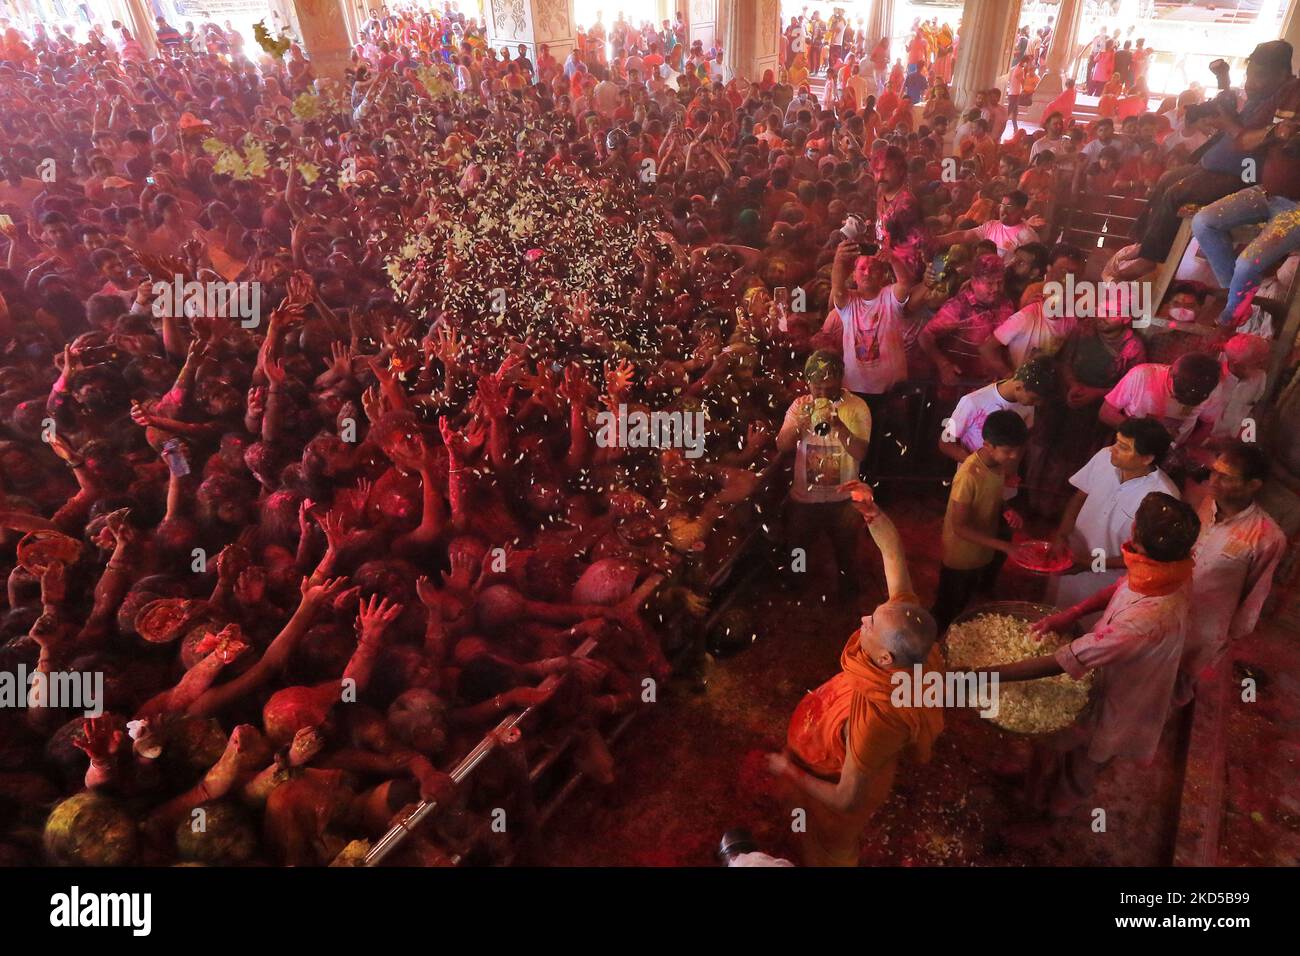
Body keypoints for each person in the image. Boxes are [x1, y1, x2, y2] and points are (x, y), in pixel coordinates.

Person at [987, 492, 1201, 815]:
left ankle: (1049, 816)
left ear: (1135, 536)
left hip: (1124, 693)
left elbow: (1066, 659)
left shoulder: (1146, 621)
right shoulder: (1169, 567)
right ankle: (1033, 784)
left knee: (1084, 762)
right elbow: (1122, 586)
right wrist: (1072, 613)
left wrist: (986, 676)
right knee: (1056, 737)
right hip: (1105, 671)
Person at [766, 486, 943, 866]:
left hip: (838, 787)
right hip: (847, 756)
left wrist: (791, 773)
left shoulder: (875, 719)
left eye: (872, 623)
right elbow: (893, 553)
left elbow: (847, 798)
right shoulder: (911, 634)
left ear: (884, 657)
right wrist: (872, 513)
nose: (865, 618)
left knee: (829, 844)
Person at [1174, 442, 1284, 705]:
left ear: (1253, 485)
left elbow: (1255, 594)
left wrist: (1225, 638)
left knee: (1174, 688)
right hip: (1164, 605)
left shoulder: (1267, 536)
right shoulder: (1201, 501)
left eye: (1226, 477)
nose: (1214, 480)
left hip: (1202, 628)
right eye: (1214, 471)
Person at [1046, 417, 1179, 615]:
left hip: (1105, 577)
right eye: (1116, 441)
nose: (1113, 449)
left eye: (1124, 447)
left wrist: (1089, 563)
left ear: (1147, 458)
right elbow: (1080, 496)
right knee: (1051, 612)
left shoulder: (1162, 497)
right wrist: (1062, 534)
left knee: (1085, 625)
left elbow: (1145, 555)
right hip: (1070, 555)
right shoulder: (1104, 458)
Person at [775, 351, 872, 596]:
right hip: (804, 499)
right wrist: (801, 423)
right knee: (798, 548)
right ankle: (796, 588)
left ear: (840, 380)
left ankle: (848, 594)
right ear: (808, 384)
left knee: (846, 551)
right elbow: (782, 445)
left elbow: (860, 453)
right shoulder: (799, 405)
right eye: (817, 388)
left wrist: (838, 425)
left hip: (844, 500)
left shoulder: (857, 407)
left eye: (829, 388)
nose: (823, 394)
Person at [931, 409, 1028, 632]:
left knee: (966, 598)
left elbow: (992, 496)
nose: (1014, 457)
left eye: (1018, 451)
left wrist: (1006, 510)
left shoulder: (998, 466)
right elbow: (960, 527)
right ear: (988, 444)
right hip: (961, 555)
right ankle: (936, 648)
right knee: (948, 606)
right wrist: (1004, 546)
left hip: (981, 549)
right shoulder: (969, 475)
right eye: (1008, 451)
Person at [1100, 353, 1224, 449]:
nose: (1181, 401)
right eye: (1178, 395)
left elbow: (1207, 424)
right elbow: (1106, 412)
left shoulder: (1213, 390)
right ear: (1170, 373)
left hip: (1170, 453)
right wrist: (1140, 434)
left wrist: (1187, 449)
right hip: (1130, 447)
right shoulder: (1142, 375)